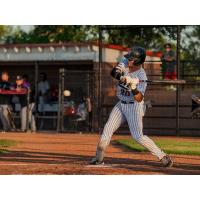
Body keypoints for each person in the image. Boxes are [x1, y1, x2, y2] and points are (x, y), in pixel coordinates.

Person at [90, 46, 173, 168]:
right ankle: (98, 158)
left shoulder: (142, 76)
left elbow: (139, 98)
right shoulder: (125, 62)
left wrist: (133, 87)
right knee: (107, 129)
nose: (128, 60)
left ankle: (163, 156)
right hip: (121, 103)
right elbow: (114, 72)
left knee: (137, 136)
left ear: (138, 61)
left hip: (134, 106)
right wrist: (123, 78)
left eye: (131, 59)